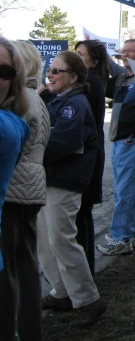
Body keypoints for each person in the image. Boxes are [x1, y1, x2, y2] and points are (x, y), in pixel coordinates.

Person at [37, 51, 106, 327]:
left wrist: (29, 146)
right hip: (51, 179)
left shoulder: (74, 105)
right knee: (46, 240)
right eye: (50, 70)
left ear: (74, 77)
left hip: (64, 182)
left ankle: (89, 299)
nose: (50, 75)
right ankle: (62, 291)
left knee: (63, 240)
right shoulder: (59, 100)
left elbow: (59, 143)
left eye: (57, 71)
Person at [96, 39, 135, 256]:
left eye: (132, 51)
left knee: (126, 191)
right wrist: (101, 52)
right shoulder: (122, 77)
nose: (126, 54)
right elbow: (109, 69)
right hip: (119, 140)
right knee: (126, 189)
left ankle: (120, 237)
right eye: (124, 51)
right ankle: (130, 233)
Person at [0, 37, 39, 341]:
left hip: (22, 195)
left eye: (4, 71)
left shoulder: (9, 126)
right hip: (22, 193)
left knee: (22, 269)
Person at [73, 40, 109, 275]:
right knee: (82, 215)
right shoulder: (89, 81)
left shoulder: (90, 83)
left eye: (80, 54)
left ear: (93, 61)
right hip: (90, 154)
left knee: (81, 216)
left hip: (87, 156)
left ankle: (84, 273)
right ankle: (86, 270)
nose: (75, 57)